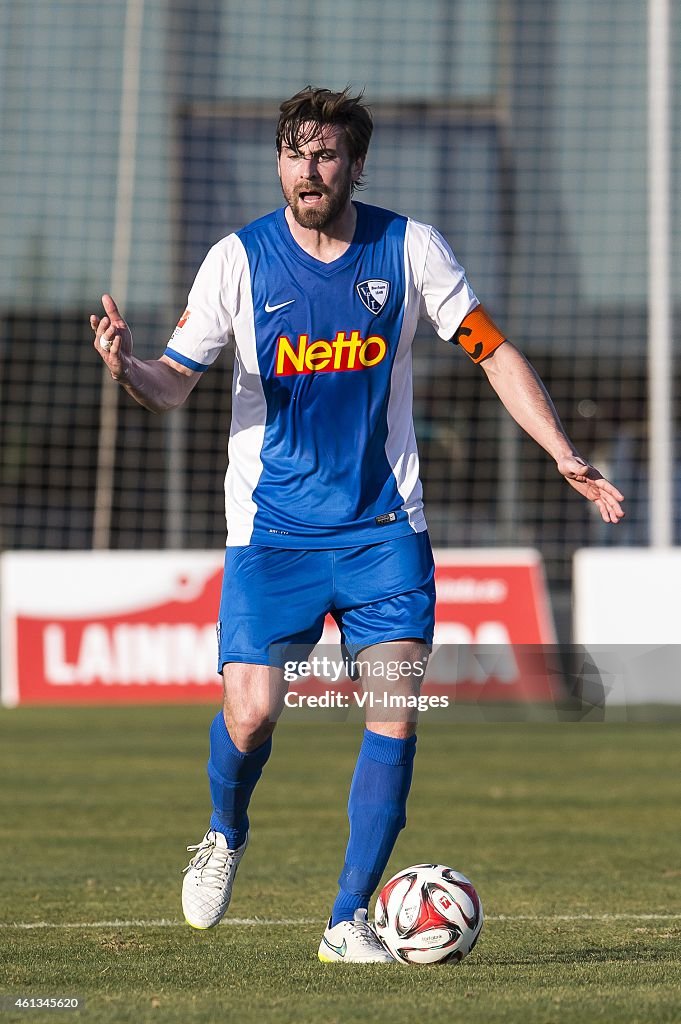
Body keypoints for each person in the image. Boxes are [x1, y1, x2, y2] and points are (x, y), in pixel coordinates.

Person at [90, 86, 624, 963]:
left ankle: (345, 921)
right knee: (253, 713)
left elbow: (493, 351)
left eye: (327, 153)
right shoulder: (236, 260)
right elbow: (172, 384)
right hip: (273, 535)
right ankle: (224, 832)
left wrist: (560, 451)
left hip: (385, 534)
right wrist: (126, 367)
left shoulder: (410, 249)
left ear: (355, 165)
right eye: (296, 152)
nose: (310, 168)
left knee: (394, 716)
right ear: (278, 163)